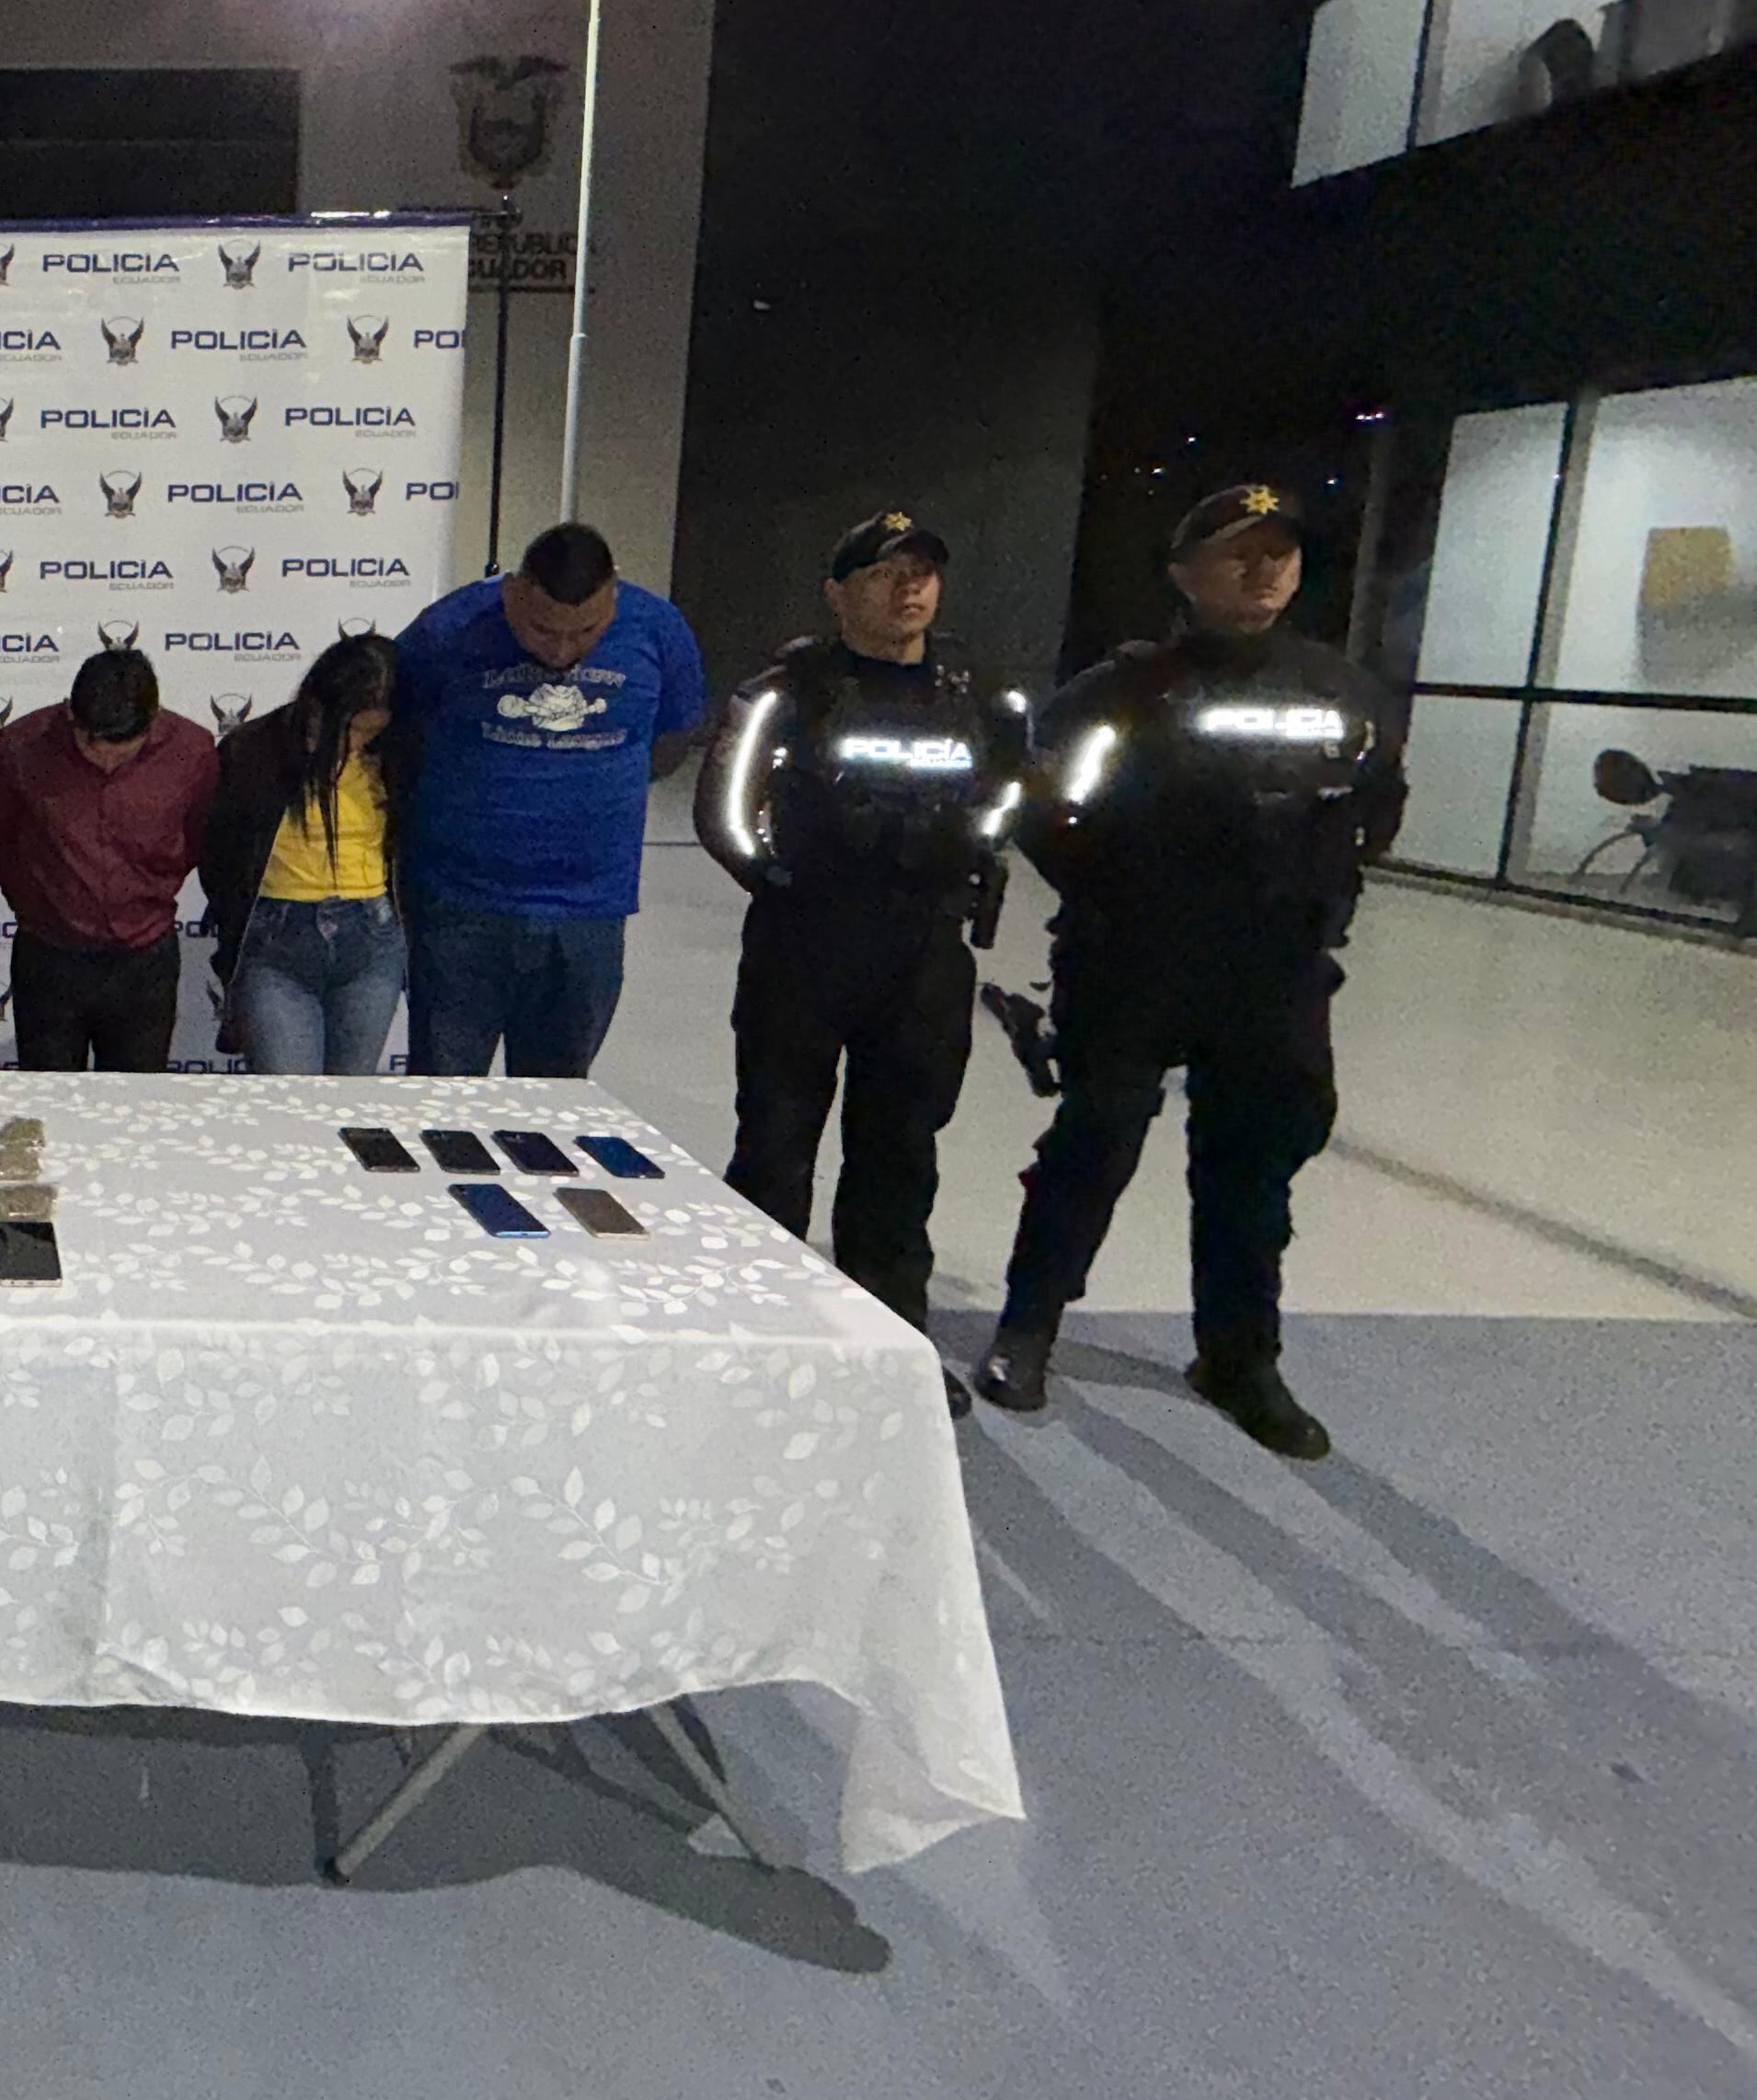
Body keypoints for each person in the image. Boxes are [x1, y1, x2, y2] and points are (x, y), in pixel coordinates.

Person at [971, 486, 1407, 1457]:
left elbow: (1376, 802)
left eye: (1280, 552)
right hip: (1137, 964)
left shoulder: (1340, 690)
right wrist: (1117, 893)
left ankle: (1239, 1359)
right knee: (1092, 1148)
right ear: (1183, 573)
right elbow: (1042, 807)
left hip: (1274, 975)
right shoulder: (1121, 692)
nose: (1264, 570)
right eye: (1238, 552)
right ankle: (1029, 1328)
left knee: (1253, 1171)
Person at [703, 512, 1023, 1412]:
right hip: (805, 948)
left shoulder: (975, 691)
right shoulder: (788, 690)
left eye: (923, 571)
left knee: (900, 1156)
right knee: (775, 1148)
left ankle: (889, 1345)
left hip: (923, 955)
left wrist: (970, 853)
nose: (909, 588)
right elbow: (724, 811)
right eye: (885, 574)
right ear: (838, 594)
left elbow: (1012, 790)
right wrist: (781, 881)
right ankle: (764, 1336)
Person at [395, 522, 707, 1077]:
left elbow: (674, 738)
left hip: (591, 909)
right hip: (460, 906)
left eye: (586, 631)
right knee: (443, 1095)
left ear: (614, 593)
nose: (562, 650)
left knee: (557, 1098)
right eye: (541, 629)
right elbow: (395, 733)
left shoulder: (658, 629)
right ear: (513, 591)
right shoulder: (449, 629)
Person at [0, 648, 217, 1072]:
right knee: (45, 1097)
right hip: (49, 955)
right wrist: (41, 903)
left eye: (123, 750)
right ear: (71, 714)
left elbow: (201, 835)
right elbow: (0, 835)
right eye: (92, 744)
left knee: (137, 1098)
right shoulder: (21, 746)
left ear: (152, 720)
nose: (106, 760)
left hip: (146, 957)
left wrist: (150, 889)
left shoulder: (193, 751)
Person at [201, 634, 410, 1075]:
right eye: (349, 728)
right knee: (288, 1101)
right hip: (276, 941)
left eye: (371, 731)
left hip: (371, 939)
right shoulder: (252, 749)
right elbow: (220, 859)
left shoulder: (396, 752)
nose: (357, 742)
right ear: (317, 704)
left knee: (349, 1102)